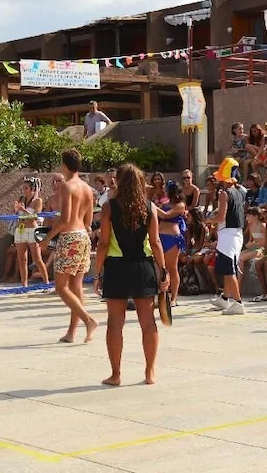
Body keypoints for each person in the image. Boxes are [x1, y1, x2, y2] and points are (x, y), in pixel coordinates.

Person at [92, 163, 168, 385]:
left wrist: (97, 273)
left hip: (117, 267)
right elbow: (155, 242)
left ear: (119, 181)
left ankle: (116, 374)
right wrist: (163, 271)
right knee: (148, 322)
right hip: (143, 266)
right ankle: (150, 372)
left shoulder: (109, 207)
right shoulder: (149, 207)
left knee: (115, 324)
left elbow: (104, 243)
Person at [41, 149, 99, 344]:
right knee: (76, 286)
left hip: (70, 237)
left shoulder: (67, 186)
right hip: (83, 236)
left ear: (64, 165)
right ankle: (72, 332)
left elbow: (65, 220)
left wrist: (47, 238)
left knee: (61, 287)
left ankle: (88, 320)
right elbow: (88, 221)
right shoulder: (87, 189)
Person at [207, 157, 248, 315]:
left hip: (227, 235)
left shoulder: (224, 193)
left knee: (229, 270)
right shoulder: (239, 191)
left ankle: (238, 302)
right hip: (236, 234)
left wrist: (208, 220)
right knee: (227, 268)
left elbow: (221, 217)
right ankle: (225, 298)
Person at [154, 181, 187, 307]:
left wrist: (152, 206)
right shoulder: (165, 204)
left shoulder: (180, 205)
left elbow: (165, 215)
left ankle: (173, 298)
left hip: (172, 238)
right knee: (162, 268)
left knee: (172, 268)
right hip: (160, 237)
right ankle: (163, 296)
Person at [13, 177, 47, 288]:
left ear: (32, 189)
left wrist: (23, 210)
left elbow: (35, 217)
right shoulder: (21, 198)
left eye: (26, 188)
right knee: (22, 259)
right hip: (20, 229)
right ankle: (24, 285)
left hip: (32, 229)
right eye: (23, 188)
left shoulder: (38, 201)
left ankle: (46, 283)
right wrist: (16, 209)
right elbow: (16, 213)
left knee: (37, 258)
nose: (24, 190)